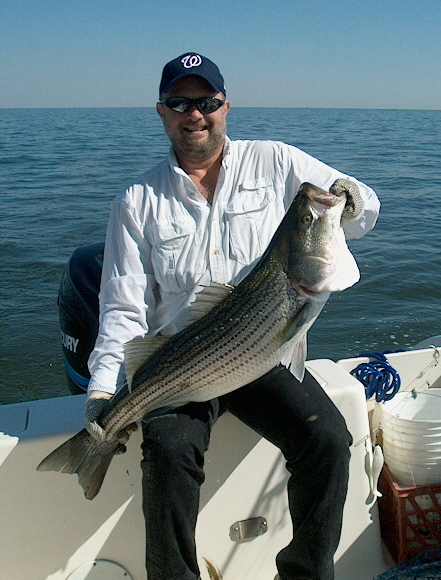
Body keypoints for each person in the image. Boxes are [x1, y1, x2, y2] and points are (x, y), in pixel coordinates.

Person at [86, 52, 380, 580]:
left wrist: (345, 197)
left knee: (329, 440)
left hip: (260, 353)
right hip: (183, 359)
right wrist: (103, 395)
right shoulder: (136, 201)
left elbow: (365, 209)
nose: (194, 114)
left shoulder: (277, 161)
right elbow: (123, 310)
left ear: (225, 106)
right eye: (180, 103)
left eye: (206, 102)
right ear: (161, 111)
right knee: (169, 450)